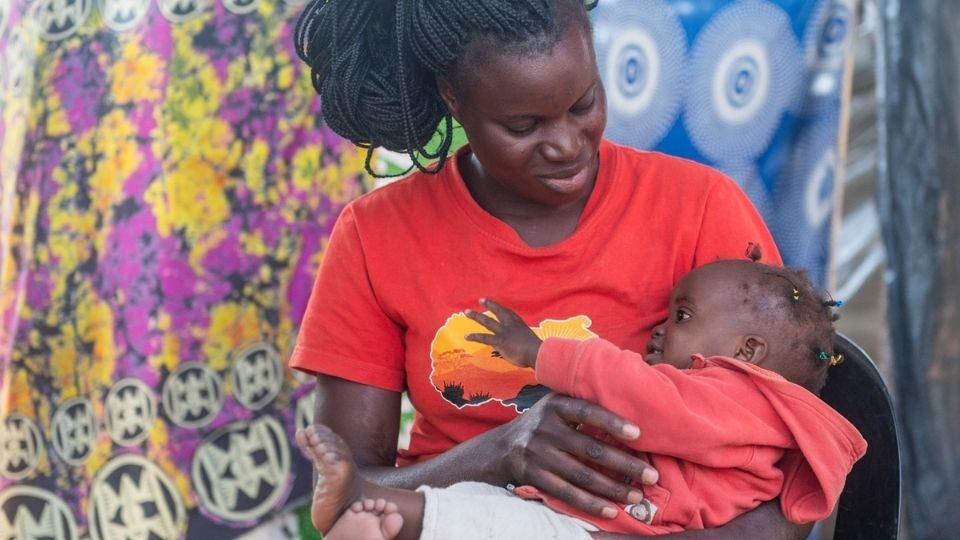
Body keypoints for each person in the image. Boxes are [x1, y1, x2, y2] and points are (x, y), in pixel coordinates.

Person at [290, 0, 812, 538]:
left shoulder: (700, 208)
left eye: (583, 104)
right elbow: (346, 493)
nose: (566, 146)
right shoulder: (377, 235)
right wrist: (499, 453)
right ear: (454, 97)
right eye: (524, 125)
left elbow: (797, 473)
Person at [296, 259, 867, 539]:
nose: (659, 331)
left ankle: (389, 515)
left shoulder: (737, 398)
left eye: (683, 316)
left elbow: (648, 402)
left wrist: (540, 353)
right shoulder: (730, 393)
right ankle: (382, 510)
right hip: (589, 512)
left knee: (496, 523)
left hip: (613, 533)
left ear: (748, 351)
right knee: (483, 505)